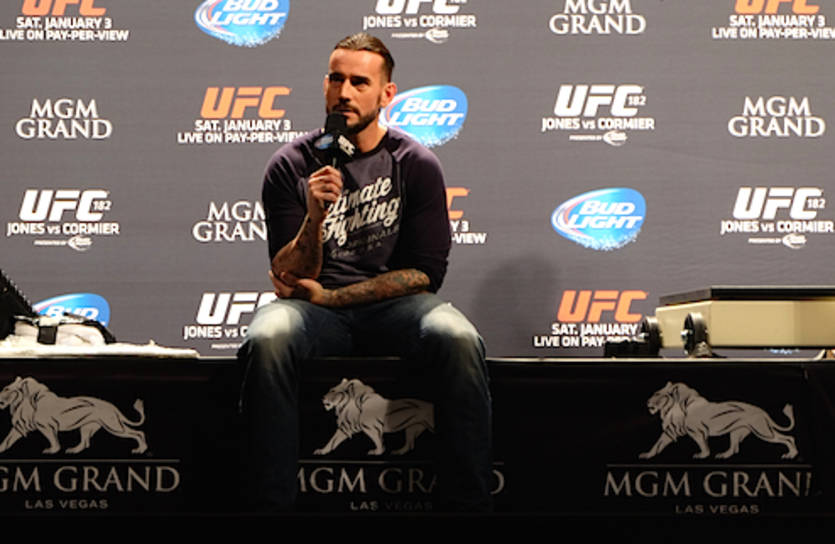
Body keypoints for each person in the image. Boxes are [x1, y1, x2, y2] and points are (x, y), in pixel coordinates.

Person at [236, 32, 492, 513]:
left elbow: (426, 274)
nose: (345, 92)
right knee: (268, 337)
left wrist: (334, 297)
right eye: (336, 79)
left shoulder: (415, 163)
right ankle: (269, 507)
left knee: (457, 338)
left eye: (359, 82)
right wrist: (314, 217)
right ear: (324, 85)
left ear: (386, 93)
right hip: (315, 314)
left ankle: (468, 508)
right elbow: (288, 274)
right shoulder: (291, 164)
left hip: (394, 308)